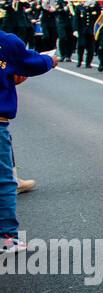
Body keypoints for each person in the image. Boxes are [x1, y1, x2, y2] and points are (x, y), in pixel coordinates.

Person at [0, 28, 57, 253]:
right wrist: (50, 60)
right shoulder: (6, 41)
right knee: (4, 182)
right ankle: (7, 237)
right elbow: (30, 63)